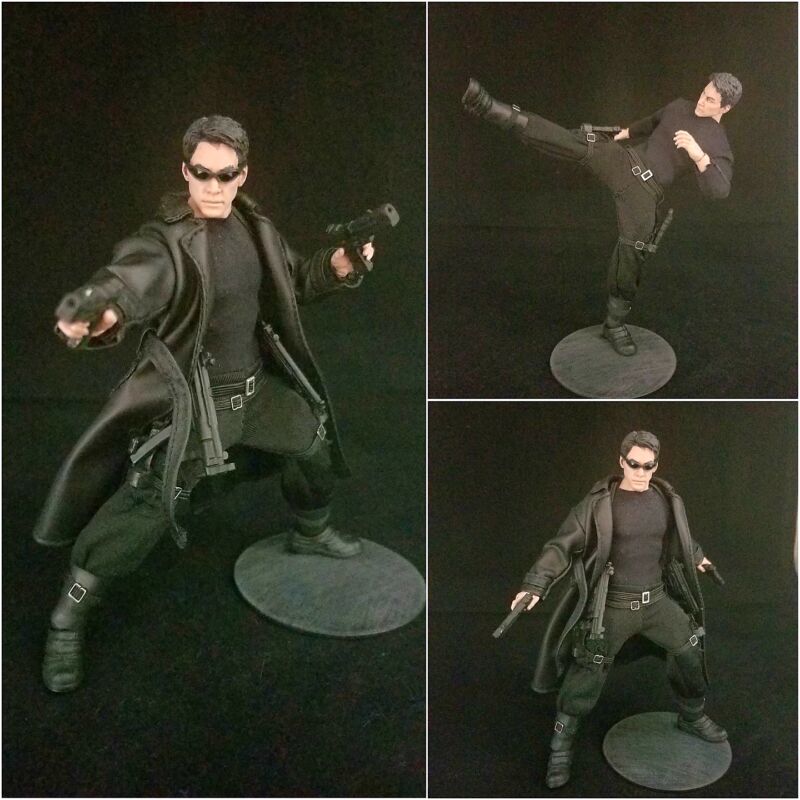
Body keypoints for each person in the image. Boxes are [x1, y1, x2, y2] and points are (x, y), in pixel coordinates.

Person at [34, 115, 377, 693]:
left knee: (312, 442)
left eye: (225, 175)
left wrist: (338, 266)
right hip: (198, 408)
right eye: (201, 174)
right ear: (184, 172)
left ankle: (311, 531)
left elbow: (294, 281)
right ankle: (68, 615)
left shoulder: (255, 226)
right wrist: (102, 308)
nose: (213, 187)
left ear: (243, 176)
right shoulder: (166, 240)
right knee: (146, 507)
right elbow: (134, 278)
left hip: (257, 394)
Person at [462, 74, 741, 356]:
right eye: (703, 93)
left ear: (725, 108)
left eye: (710, 100)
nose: (701, 101)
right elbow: (651, 122)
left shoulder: (717, 142)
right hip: (625, 162)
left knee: (633, 251)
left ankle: (615, 324)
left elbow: (719, 190)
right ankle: (493, 109)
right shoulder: (680, 106)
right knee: (577, 142)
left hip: (645, 192)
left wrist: (698, 155)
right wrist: (621, 135)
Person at [510, 431, 726, 788]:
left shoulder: (664, 498)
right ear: (621, 461)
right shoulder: (599, 504)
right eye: (634, 464)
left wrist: (698, 556)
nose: (641, 472)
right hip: (614, 606)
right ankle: (561, 746)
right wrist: (535, 584)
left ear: (657, 465)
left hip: (657, 601)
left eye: (649, 466)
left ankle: (692, 717)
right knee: (587, 670)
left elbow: (679, 536)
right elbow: (561, 545)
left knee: (689, 650)